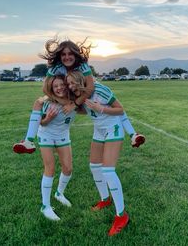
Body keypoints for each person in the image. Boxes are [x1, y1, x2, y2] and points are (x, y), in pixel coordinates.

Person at [13, 37, 145, 154]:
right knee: (38, 102)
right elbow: (45, 88)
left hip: (84, 91)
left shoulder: (82, 65)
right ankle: (29, 141)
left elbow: (90, 87)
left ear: (76, 54)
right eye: (63, 54)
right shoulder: (56, 67)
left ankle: (133, 134)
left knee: (112, 103)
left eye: (70, 53)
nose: (67, 57)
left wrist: (75, 104)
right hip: (68, 92)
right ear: (59, 56)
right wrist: (64, 102)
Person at [66, 70, 130, 236]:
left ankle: (121, 216)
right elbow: (84, 110)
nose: (70, 86)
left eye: (73, 83)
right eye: (68, 84)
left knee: (108, 171)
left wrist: (100, 108)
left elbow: (121, 110)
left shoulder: (100, 90)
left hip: (113, 127)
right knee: (94, 166)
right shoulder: (78, 95)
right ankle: (105, 199)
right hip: (99, 130)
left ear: (81, 80)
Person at [36, 75, 76, 221]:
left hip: (63, 135)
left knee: (68, 168)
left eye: (61, 84)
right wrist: (48, 119)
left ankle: (59, 193)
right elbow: (39, 121)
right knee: (50, 168)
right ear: (51, 89)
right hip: (46, 134)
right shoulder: (47, 102)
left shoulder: (75, 100)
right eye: (55, 86)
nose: (59, 88)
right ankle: (45, 206)